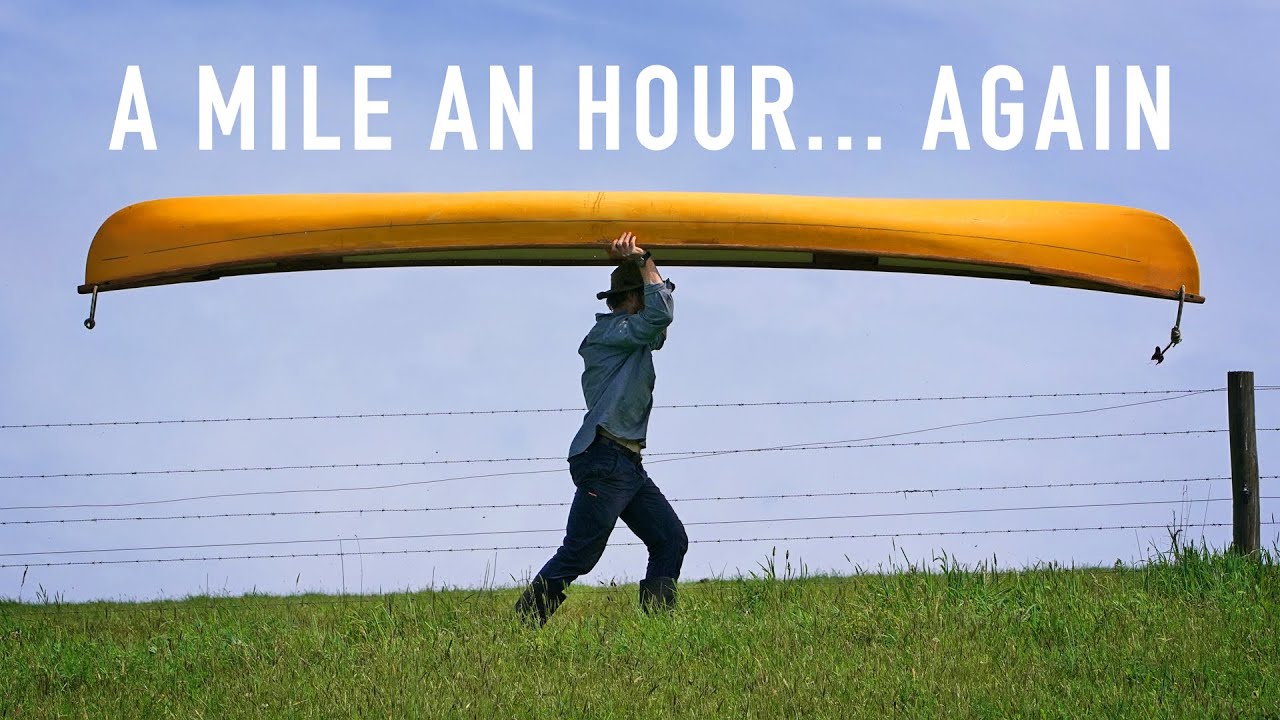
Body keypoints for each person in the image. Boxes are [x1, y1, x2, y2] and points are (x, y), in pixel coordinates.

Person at [515, 231, 689, 626]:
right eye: (642, 296)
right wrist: (643, 260)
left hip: (625, 462)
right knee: (580, 554)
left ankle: (657, 630)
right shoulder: (610, 333)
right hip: (606, 458)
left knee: (670, 539)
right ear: (630, 301)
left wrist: (646, 263)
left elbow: (658, 322)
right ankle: (523, 623)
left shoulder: (632, 336)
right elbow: (660, 314)